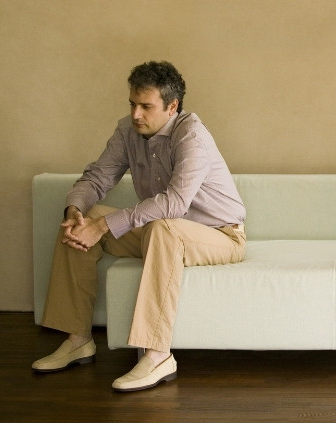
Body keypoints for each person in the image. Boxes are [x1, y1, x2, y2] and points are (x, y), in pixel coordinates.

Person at [32, 61, 247, 392]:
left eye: (146, 106)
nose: (136, 114)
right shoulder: (127, 131)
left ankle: (158, 355)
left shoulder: (192, 135)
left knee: (161, 227)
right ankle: (78, 341)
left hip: (220, 235)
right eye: (133, 104)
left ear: (172, 107)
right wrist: (76, 209)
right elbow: (98, 176)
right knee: (82, 224)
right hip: (163, 232)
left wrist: (105, 225)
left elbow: (175, 204)